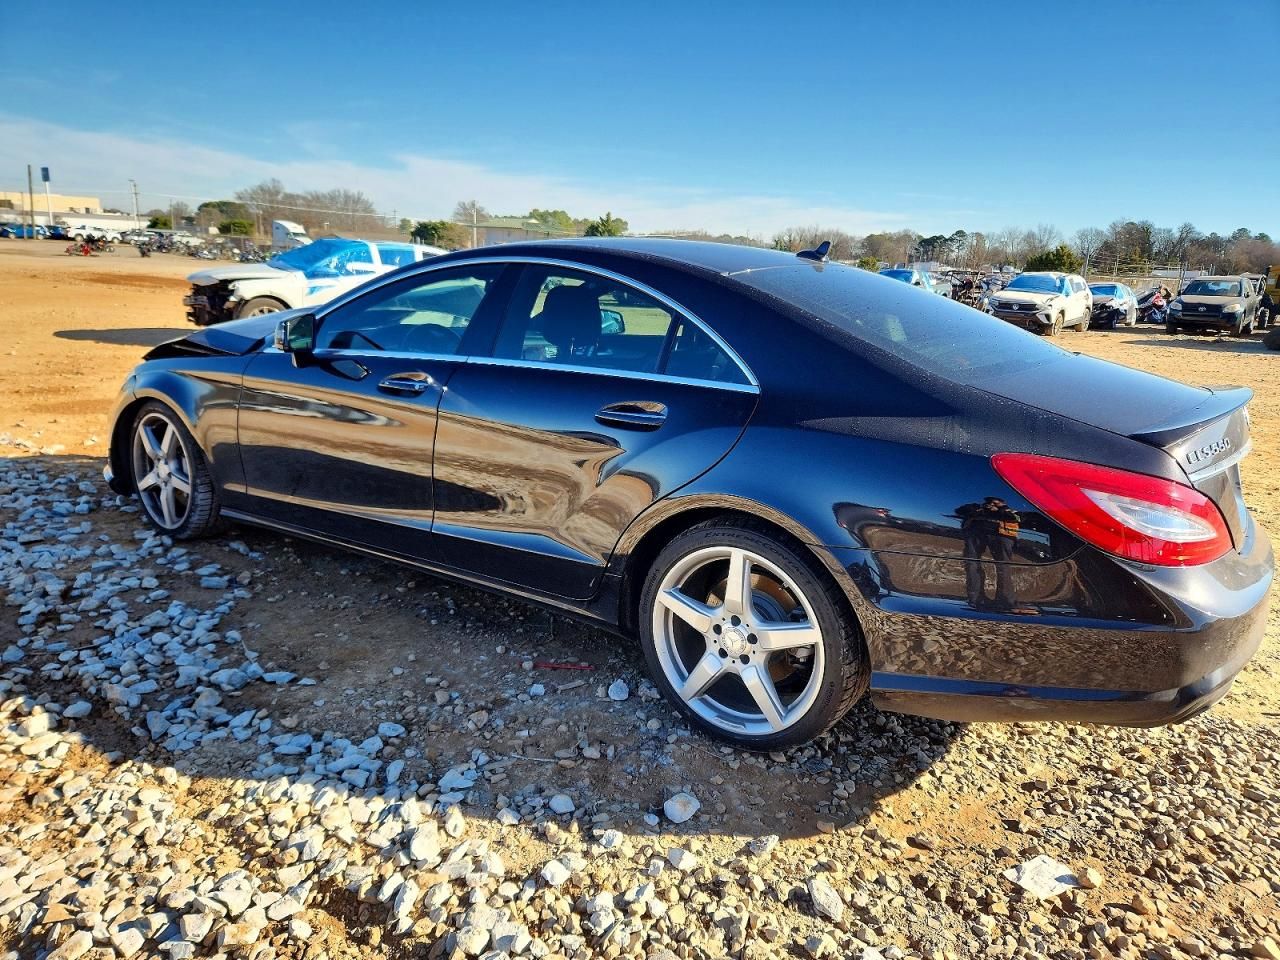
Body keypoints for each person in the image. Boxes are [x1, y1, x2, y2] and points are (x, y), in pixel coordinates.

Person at [956, 496, 1034, 613]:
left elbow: (1018, 518)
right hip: (976, 533)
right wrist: (981, 510)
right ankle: (976, 599)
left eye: (997, 501)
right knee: (972, 563)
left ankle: (1006, 601)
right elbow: (959, 511)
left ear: (1003, 502)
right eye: (990, 501)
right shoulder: (977, 507)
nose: (993, 503)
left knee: (1003, 566)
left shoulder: (1011, 511)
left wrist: (1001, 509)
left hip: (1002, 536)